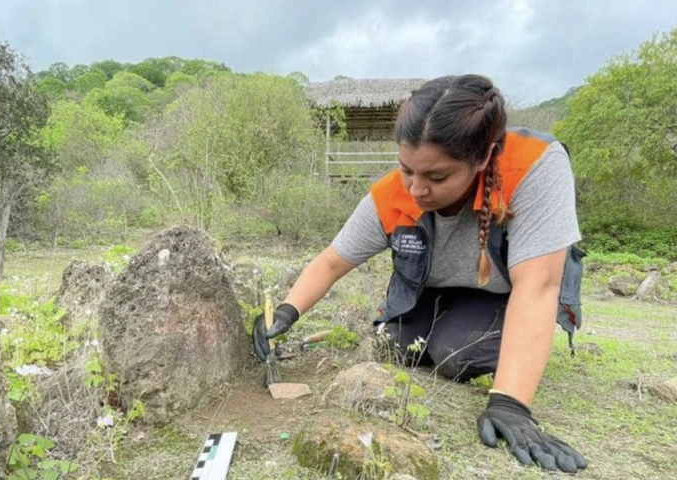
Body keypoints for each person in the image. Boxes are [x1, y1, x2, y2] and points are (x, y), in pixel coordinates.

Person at [252, 74, 588, 474]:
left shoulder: (534, 165)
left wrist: (510, 403)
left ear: (482, 159)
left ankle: (505, 354)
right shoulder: (395, 192)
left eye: (437, 176)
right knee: (395, 343)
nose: (415, 189)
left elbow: (538, 287)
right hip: (437, 293)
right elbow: (332, 261)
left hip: (508, 293)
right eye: (407, 169)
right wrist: (288, 311)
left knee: (455, 352)